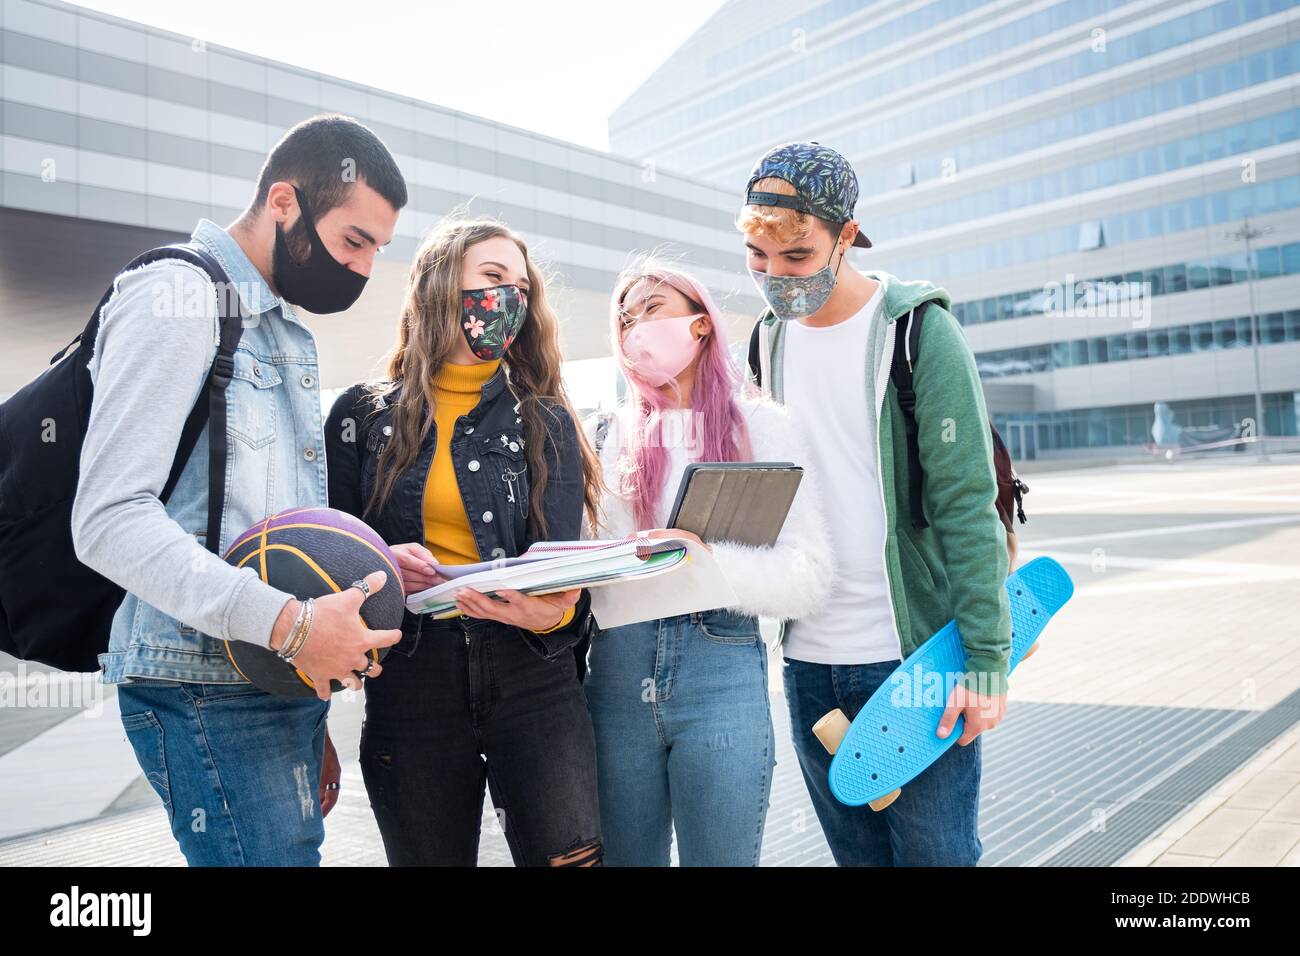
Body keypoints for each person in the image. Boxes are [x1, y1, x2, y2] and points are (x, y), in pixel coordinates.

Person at [71, 114, 409, 866]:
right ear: (284, 202)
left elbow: (277, 541)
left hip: (268, 681)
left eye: (377, 252)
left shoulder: (279, 330)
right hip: (204, 684)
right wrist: (291, 630)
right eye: (353, 241)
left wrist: (306, 697)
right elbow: (108, 519)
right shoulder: (180, 297)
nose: (361, 270)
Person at [740, 141, 1012, 866]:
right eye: (758, 259)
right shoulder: (765, 344)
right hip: (807, 665)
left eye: (796, 259)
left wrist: (987, 661)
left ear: (847, 235)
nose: (776, 278)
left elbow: (966, 504)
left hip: (914, 661)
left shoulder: (920, 333)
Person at [325, 215, 605, 866]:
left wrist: (551, 611)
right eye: (491, 276)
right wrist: (380, 570)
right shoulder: (361, 418)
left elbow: (561, 575)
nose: (510, 296)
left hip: (536, 684)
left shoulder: (547, 420)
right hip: (412, 685)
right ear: (438, 286)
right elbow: (328, 563)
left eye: (522, 285)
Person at [580, 261, 831, 866]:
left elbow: (810, 573)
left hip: (720, 665)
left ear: (699, 325)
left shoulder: (762, 427)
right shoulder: (603, 436)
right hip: (616, 670)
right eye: (625, 316)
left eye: (653, 308)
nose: (637, 325)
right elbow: (582, 570)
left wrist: (709, 560)